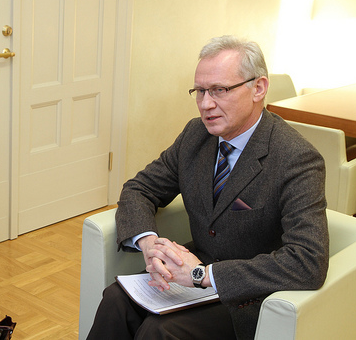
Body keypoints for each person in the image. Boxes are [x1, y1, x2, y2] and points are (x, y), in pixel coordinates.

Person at [86, 36, 329, 340]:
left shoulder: (296, 158)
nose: (205, 104)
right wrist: (149, 244)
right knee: (115, 300)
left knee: (159, 331)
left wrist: (202, 275)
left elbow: (308, 260)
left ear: (258, 88)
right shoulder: (196, 135)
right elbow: (140, 188)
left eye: (219, 90)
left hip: (248, 296)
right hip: (189, 271)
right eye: (200, 91)